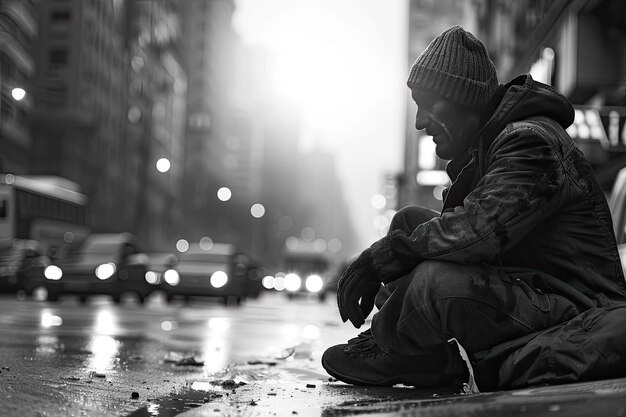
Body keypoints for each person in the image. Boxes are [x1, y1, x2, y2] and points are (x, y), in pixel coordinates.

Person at [321, 25, 626, 391]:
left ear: (464, 98)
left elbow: (477, 231)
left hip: (577, 312)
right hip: (538, 291)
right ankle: (410, 352)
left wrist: (381, 258)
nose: (419, 121)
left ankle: (394, 347)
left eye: (429, 104)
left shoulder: (531, 141)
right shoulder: (494, 145)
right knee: (409, 221)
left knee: (435, 282)